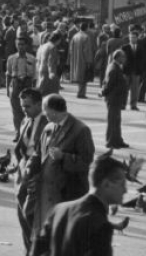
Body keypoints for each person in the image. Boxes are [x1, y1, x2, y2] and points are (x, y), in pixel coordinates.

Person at [31, 93, 96, 247]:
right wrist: (30, 167)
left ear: (53, 111)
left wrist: (64, 157)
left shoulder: (80, 130)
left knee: (66, 236)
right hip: (46, 193)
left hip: (67, 192)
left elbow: (86, 161)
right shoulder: (48, 127)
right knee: (47, 233)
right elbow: (39, 153)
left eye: (45, 110)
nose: (43, 114)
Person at [38, 155, 129, 256]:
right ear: (106, 184)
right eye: (122, 184)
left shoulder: (58, 210)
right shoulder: (100, 225)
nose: (125, 190)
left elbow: (36, 251)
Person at [14, 88, 47, 256]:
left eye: (27, 106)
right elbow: (21, 147)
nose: (23, 110)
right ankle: (30, 250)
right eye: (22, 106)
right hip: (23, 171)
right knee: (22, 215)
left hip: (38, 173)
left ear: (39, 104)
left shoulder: (48, 123)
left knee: (32, 215)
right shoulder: (25, 120)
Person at [5, 36, 38, 132]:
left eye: (22, 44)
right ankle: (17, 131)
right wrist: (7, 90)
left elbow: (35, 76)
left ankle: (26, 131)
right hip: (16, 84)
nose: (20, 47)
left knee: (28, 111)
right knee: (16, 111)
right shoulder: (11, 58)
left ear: (26, 45)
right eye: (18, 44)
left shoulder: (32, 58)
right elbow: (8, 74)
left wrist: (34, 90)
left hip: (27, 84)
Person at [101, 49, 129, 149]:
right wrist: (103, 92)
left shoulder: (116, 66)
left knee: (116, 120)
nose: (125, 59)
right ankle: (110, 142)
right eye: (123, 57)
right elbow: (108, 84)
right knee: (112, 121)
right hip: (113, 99)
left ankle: (117, 140)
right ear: (117, 57)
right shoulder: (113, 68)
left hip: (117, 98)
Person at [68, 22, 95, 99]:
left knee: (79, 76)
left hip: (75, 59)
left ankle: (80, 92)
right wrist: (89, 61)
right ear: (86, 28)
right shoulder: (86, 37)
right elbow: (87, 51)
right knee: (84, 76)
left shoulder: (75, 36)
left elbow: (70, 49)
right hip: (83, 60)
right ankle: (81, 93)